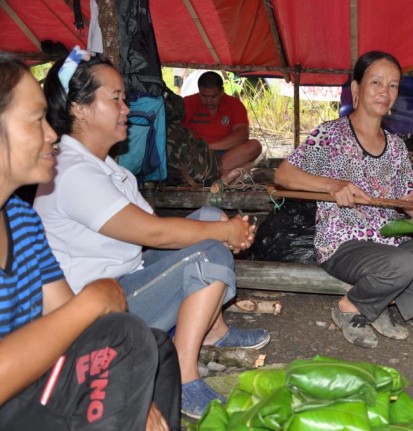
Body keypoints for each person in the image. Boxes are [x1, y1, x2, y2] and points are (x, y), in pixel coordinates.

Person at [34, 48, 269, 420]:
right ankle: (185, 373)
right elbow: (156, 233)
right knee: (209, 251)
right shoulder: (72, 170)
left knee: (207, 217)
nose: (127, 109)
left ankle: (211, 329)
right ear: (79, 108)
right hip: (97, 310)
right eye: (116, 99)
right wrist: (227, 232)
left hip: (128, 279)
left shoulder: (108, 168)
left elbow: (155, 229)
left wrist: (220, 226)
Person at [0, 52, 180, 430]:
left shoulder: (21, 220)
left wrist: (134, 386)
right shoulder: (73, 174)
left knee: (149, 345)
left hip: (38, 385)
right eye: (37, 120)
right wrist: (92, 303)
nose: (52, 133)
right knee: (126, 337)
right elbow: (80, 313)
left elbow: (72, 319)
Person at [274, 51, 413, 349]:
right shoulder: (331, 134)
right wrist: (332, 185)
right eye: (377, 82)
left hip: (390, 242)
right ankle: (350, 308)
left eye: (393, 85)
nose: (385, 91)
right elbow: (283, 174)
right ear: (356, 89)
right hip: (343, 243)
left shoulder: (395, 146)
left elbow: (409, 199)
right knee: (402, 265)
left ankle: (378, 302)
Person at [183, 71, 262, 184]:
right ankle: (224, 174)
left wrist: (209, 146)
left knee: (255, 145)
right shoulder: (187, 103)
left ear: (222, 91)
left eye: (213, 96)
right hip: (197, 155)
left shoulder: (234, 104)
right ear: (199, 91)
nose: (209, 101)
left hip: (227, 155)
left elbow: (242, 135)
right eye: (204, 96)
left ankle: (215, 173)